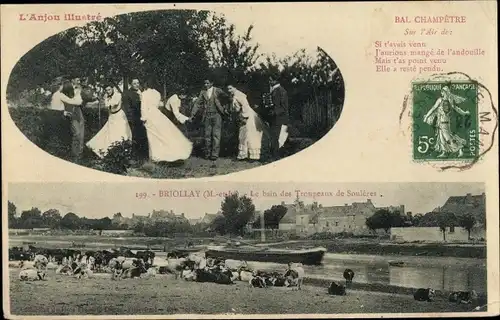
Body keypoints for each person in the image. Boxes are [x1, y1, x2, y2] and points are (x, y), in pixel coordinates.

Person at [140, 80, 193, 162]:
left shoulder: (144, 94)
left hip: (149, 115)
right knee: (161, 134)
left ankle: (156, 155)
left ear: (146, 85)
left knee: (152, 135)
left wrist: (144, 118)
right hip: (157, 114)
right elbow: (158, 105)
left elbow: (143, 107)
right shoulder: (157, 93)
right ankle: (163, 152)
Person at [86, 84, 132, 158]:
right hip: (112, 116)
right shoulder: (107, 97)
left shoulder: (118, 95)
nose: (108, 91)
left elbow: (114, 104)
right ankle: (110, 150)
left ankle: (123, 150)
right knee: (109, 133)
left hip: (119, 116)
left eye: (109, 89)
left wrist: (106, 101)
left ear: (112, 89)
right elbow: (106, 105)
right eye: (107, 90)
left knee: (121, 132)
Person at [423, 85, 470, 158]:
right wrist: (427, 116)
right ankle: (444, 152)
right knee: (441, 138)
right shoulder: (441, 100)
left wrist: (464, 113)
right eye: (442, 92)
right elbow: (433, 108)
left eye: (443, 92)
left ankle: (460, 148)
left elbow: (456, 108)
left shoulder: (448, 101)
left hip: (445, 123)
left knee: (448, 138)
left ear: (445, 92)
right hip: (440, 123)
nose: (441, 93)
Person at [191, 78, 229, 161]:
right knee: (207, 135)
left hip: (217, 115)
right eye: (205, 83)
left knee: (216, 135)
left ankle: (214, 155)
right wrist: (192, 114)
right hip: (207, 116)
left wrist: (225, 108)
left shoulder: (218, 90)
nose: (206, 85)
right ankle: (207, 154)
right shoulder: (203, 92)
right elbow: (197, 103)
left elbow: (227, 99)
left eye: (207, 83)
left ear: (212, 83)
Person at [228, 85, 266, 162]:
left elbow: (245, 105)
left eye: (230, 88)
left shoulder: (240, 95)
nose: (229, 90)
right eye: (228, 89)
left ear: (235, 87)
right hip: (241, 115)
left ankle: (253, 156)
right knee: (242, 136)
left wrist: (245, 117)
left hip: (248, 116)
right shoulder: (234, 95)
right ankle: (243, 155)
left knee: (251, 135)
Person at [122, 78, 149, 163]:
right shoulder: (128, 94)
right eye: (134, 83)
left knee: (143, 136)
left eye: (138, 83)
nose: (137, 85)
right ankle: (135, 157)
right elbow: (127, 108)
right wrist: (131, 119)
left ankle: (143, 156)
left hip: (142, 117)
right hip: (134, 118)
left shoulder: (140, 92)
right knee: (135, 137)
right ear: (131, 84)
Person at [267, 76, 290, 161]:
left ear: (276, 80)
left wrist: (274, 112)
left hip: (279, 118)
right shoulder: (273, 90)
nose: (269, 81)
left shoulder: (281, 91)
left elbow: (284, 107)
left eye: (271, 79)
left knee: (277, 137)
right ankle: (274, 156)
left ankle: (276, 157)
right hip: (274, 118)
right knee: (274, 137)